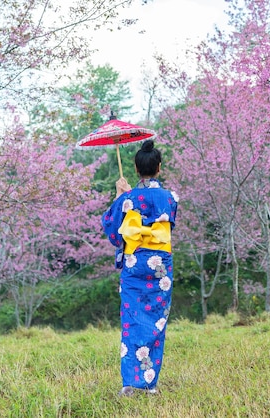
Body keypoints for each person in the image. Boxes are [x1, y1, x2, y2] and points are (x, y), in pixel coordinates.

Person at [102, 139, 179, 397]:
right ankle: (149, 384)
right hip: (160, 267)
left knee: (132, 321)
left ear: (136, 169)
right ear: (159, 167)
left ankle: (130, 383)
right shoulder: (170, 198)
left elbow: (114, 234)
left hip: (135, 264)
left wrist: (121, 196)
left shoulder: (127, 198)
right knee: (156, 321)